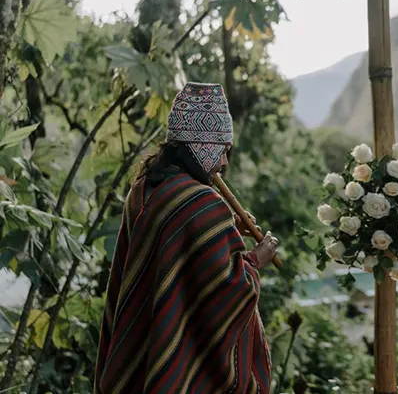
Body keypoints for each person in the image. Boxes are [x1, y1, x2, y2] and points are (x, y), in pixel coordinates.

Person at [94, 82, 279, 394]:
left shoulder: (141, 190)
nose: (224, 163)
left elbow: (174, 245)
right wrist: (254, 260)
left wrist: (227, 226)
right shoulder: (202, 203)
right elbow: (229, 289)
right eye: (222, 151)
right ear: (203, 146)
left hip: (136, 356)